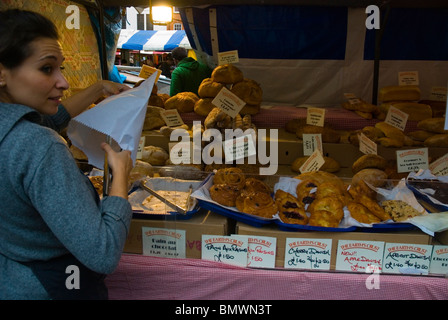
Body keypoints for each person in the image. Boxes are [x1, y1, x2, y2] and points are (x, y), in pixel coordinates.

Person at [0, 9, 133, 300]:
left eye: (60, 68)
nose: (64, 82)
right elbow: (103, 253)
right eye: (47, 69)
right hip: (51, 287)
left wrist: (98, 87)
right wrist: (119, 177)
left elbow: (54, 117)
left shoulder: (10, 127)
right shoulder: (40, 146)